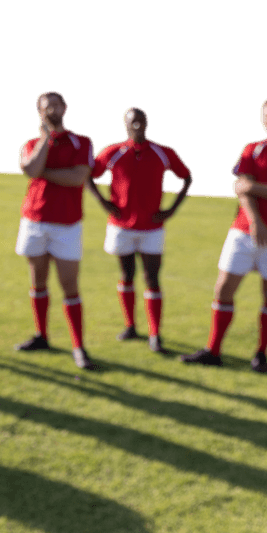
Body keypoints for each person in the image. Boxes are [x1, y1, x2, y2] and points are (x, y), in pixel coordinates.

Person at [180, 94, 267, 372]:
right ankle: (214, 350)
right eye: (263, 115)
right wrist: (256, 220)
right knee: (223, 289)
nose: (266, 120)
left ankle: (261, 354)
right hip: (244, 230)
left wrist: (254, 188)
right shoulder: (253, 148)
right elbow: (240, 189)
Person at [90, 107, 193, 354]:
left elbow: (186, 177)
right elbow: (88, 175)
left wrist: (171, 210)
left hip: (151, 227)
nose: (138, 124)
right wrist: (104, 203)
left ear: (148, 123)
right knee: (126, 275)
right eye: (133, 121)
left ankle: (155, 334)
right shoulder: (113, 152)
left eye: (142, 120)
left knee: (151, 278)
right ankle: (131, 326)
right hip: (121, 226)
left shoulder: (163, 152)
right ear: (125, 124)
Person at [14, 91, 99, 370]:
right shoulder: (30, 143)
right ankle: (41, 335)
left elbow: (77, 178)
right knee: (37, 281)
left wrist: (44, 174)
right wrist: (46, 140)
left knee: (69, 286)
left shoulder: (82, 142)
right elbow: (31, 169)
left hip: (66, 224)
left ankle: (78, 346)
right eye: (44, 107)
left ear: (65, 108)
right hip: (35, 221)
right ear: (38, 112)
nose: (50, 110)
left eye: (55, 105)